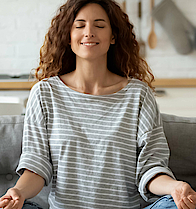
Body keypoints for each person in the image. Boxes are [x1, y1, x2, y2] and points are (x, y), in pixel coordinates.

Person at [0, 0, 196, 208]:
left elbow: (151, 167)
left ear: (113, 36)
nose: (89, 32)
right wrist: (18, 192)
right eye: (80, 25)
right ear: (68, 35)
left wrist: (174, 187)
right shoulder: (44, 93)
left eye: (100, 25)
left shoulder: (139, 95)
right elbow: (36, 165)